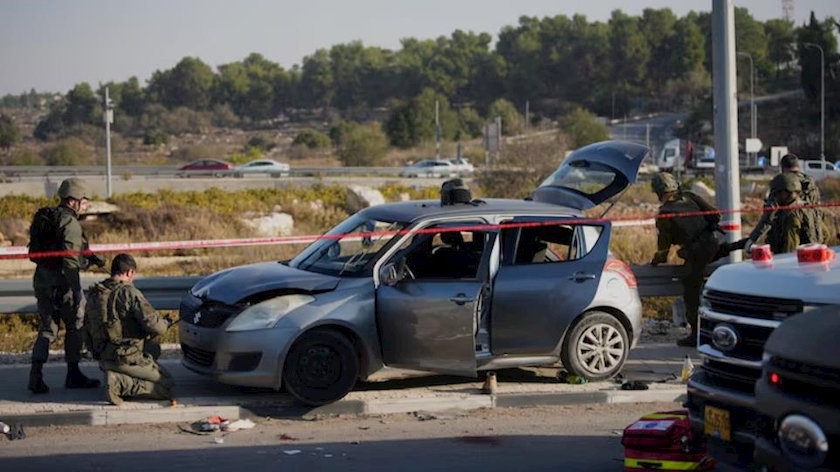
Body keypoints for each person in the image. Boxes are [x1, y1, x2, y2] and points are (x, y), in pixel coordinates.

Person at [27, 178, 103, 394]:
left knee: (47, 329)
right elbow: (70, 260)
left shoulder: (47, 217)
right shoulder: (70, 223)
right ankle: (73, 373)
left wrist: (89, 257)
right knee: (75, 327)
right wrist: (77, 290)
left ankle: (36, 375)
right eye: (84, 200)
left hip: (42, 280)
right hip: (63, 284)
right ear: (73, 201)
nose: (86, 204)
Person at [86, 253, 175, 405]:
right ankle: (120, 383)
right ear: (129, 272)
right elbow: (156, 327)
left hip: (103, 357)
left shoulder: (95, 293)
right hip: (126, 358)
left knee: (152, 351)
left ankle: (118, 377)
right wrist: (166, 322)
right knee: (167, 386)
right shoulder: (128, 292)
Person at [649, 173, 721, 348]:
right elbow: (715, 215)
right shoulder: (690, 196)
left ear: (659, 192)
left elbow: (663, 248)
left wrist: (656, 260)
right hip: (712, 244)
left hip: (696, 254)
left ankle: (696, 334)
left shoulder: (665, 214)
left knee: (691, 291)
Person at [740, 153, 820, 252]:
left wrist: (752, 239)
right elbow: (817, 211)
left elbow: (768, 217)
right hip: (812, 236)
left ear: (782, 169)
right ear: (798, 167)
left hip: (787, 238)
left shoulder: (781, 183)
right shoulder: (810, 183)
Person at [764, 173, 821, 254]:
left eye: (776, 194)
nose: (775, 198)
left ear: (785, 192)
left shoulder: (791, 215)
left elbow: (789, 251)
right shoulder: (808, 208)